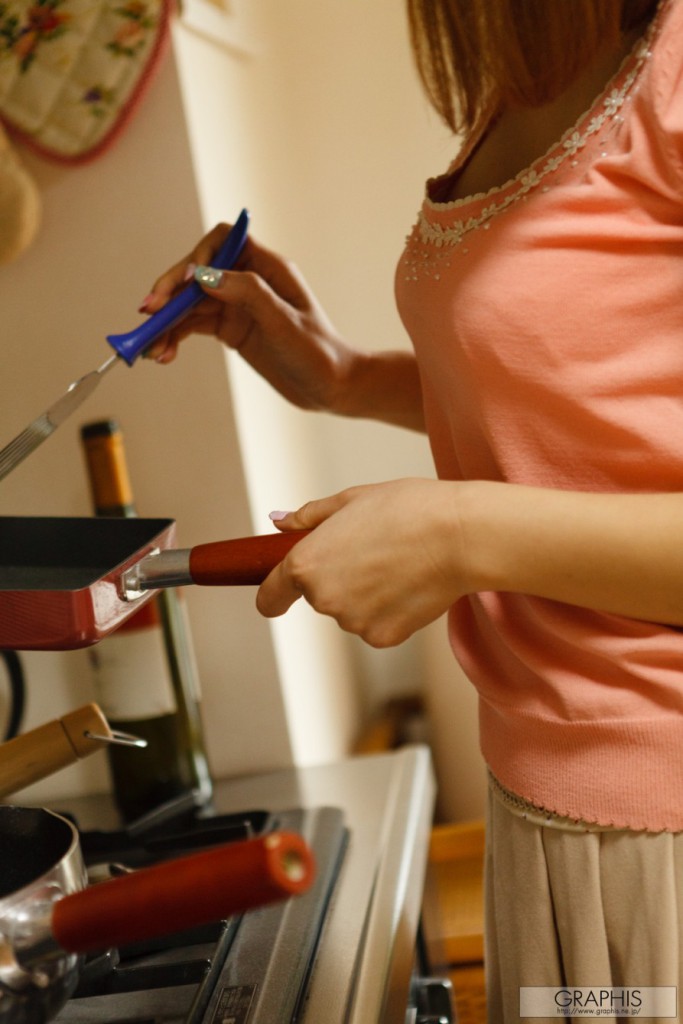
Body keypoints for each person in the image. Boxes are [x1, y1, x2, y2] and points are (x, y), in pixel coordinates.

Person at [143, 1, 683, 1019]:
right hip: (537, 799)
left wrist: (457, 534)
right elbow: (581, 405)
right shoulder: (520, 88)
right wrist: (340, 377)